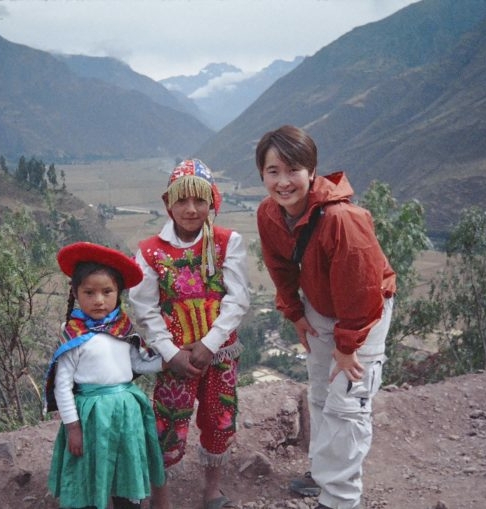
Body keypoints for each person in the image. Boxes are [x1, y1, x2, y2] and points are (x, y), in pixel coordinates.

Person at [255, 125, 396, 509]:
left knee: (347, 405)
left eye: (293, 170)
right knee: (320, 391)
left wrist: (348, 348)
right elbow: (279, 267)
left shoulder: (341, 220)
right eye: (272, 171)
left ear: (312, 170)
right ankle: (321, 472)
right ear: (261, 174)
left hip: (363, 316)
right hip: (320, 305)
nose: (283, 182)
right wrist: (296, 312)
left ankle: (340, 499)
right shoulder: (270, 214)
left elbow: (363, 293)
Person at [129, 159, 250, 509]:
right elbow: (146, 308)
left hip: (220, 355)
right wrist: (171, 353)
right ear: (169, 203)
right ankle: (161, 497)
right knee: (167, 422)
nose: (191, 209)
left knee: (219, 417)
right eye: (182, 200)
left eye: (200, 200)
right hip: (175, 359)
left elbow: (237, 298)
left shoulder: (229, 243)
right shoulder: (151, 252)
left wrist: (210, 344)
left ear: (213, 201)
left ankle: (211, 490)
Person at [44, 241, 166, 509]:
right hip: (91, 417)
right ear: (75, 293)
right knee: (91, 466)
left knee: (125, 465)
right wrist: (72, 427)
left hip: (126, 412)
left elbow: (139, 364)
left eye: (107, 291)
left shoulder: (123, 328)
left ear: (118, 293)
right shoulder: (74, 335)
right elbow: (62, 386)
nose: (98, 300)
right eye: (89, 292)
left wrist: (167, 360)